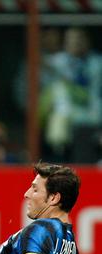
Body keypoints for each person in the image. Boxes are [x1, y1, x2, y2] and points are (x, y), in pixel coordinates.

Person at [45, 27, 102, 163]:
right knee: (58, 138)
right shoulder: (58, 61)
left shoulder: (97, 62)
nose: (76, 43)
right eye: (72, 40)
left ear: (87, 41)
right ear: (65, 43)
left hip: (91, 116)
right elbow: (38, 60)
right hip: (65, 117)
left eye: (79, 39)